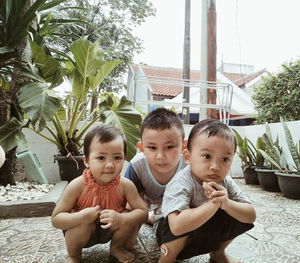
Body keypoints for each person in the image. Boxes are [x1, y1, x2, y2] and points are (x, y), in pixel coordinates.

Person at [156, 119, 256, 263]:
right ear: (188, 157)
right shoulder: (182, 182)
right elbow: (176, 227)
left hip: (203, 233)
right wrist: (213, 204)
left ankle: (218, 252)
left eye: (225, 159)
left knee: (236, 212)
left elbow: (250, 216)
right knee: (177, 222)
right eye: (207, 156)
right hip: (172, 235)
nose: (215, 166)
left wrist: (226, 203)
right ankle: (166, 260)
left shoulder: (225, 181)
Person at [51, 124, 148, 263]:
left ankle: (116, 247)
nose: (110, 164)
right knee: (83, 225)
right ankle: (74, 256)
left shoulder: (126, 186)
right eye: (101, 158)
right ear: (86, 160)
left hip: (111, 228)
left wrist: (121, 219)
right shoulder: (77, 186)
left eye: (117, 157)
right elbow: (56, 219)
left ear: (124, 158)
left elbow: (143, 212)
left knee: (128, 215)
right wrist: (80, 217)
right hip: (81, 231)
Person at [124, 108, 187, 224]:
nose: (160, 157)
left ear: (183, 146)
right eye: (152, 148)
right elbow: (129, 204)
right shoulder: (138, 165)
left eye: (169, 147)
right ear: (142, 148)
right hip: (146, 206)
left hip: (181, 206)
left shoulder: (189, 165)